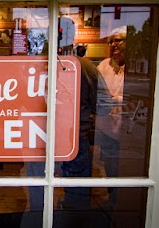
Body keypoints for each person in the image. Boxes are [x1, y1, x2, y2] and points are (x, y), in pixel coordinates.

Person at [94, 26, 127, 209]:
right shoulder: (104, 65)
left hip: (124, 131)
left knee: (122, 166)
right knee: (108, 164)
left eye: (118, 40)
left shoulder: (135, 67)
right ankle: (112, 197)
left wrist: (114, 100)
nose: (114, 44)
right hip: (105, 128)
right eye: (111, 41)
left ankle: (120, 200)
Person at [60, 56, 98, 211]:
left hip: (46, 135)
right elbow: (101, 106)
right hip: (74, 135)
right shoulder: (86, 67)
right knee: (78, 188)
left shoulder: (41, 62)